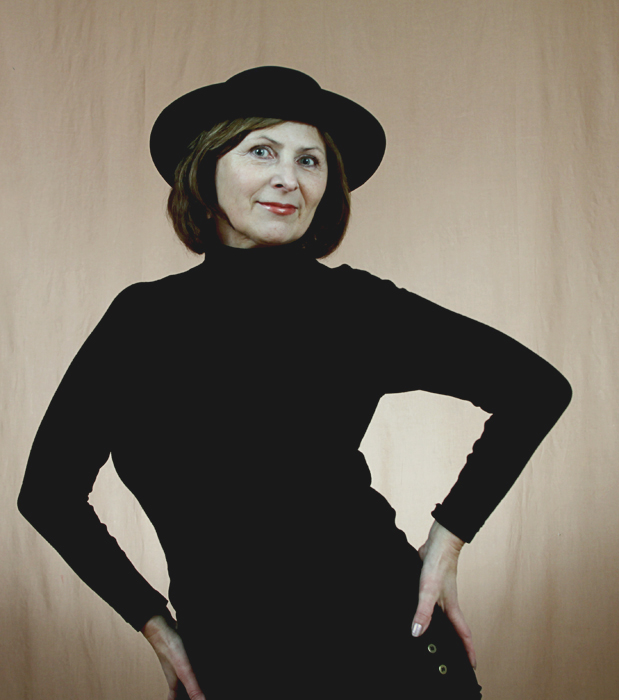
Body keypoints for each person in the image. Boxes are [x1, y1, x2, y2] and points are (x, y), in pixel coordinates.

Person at [18, 66, 572, 699]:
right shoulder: (141, 321)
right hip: (236, 669)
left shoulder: (356, 308)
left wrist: (448, 539)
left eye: (309, 160)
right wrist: (153, 622)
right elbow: (49, 494)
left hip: (390, 654)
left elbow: (537, 389)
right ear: (206, 169)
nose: (289, 177)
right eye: (262, 151)